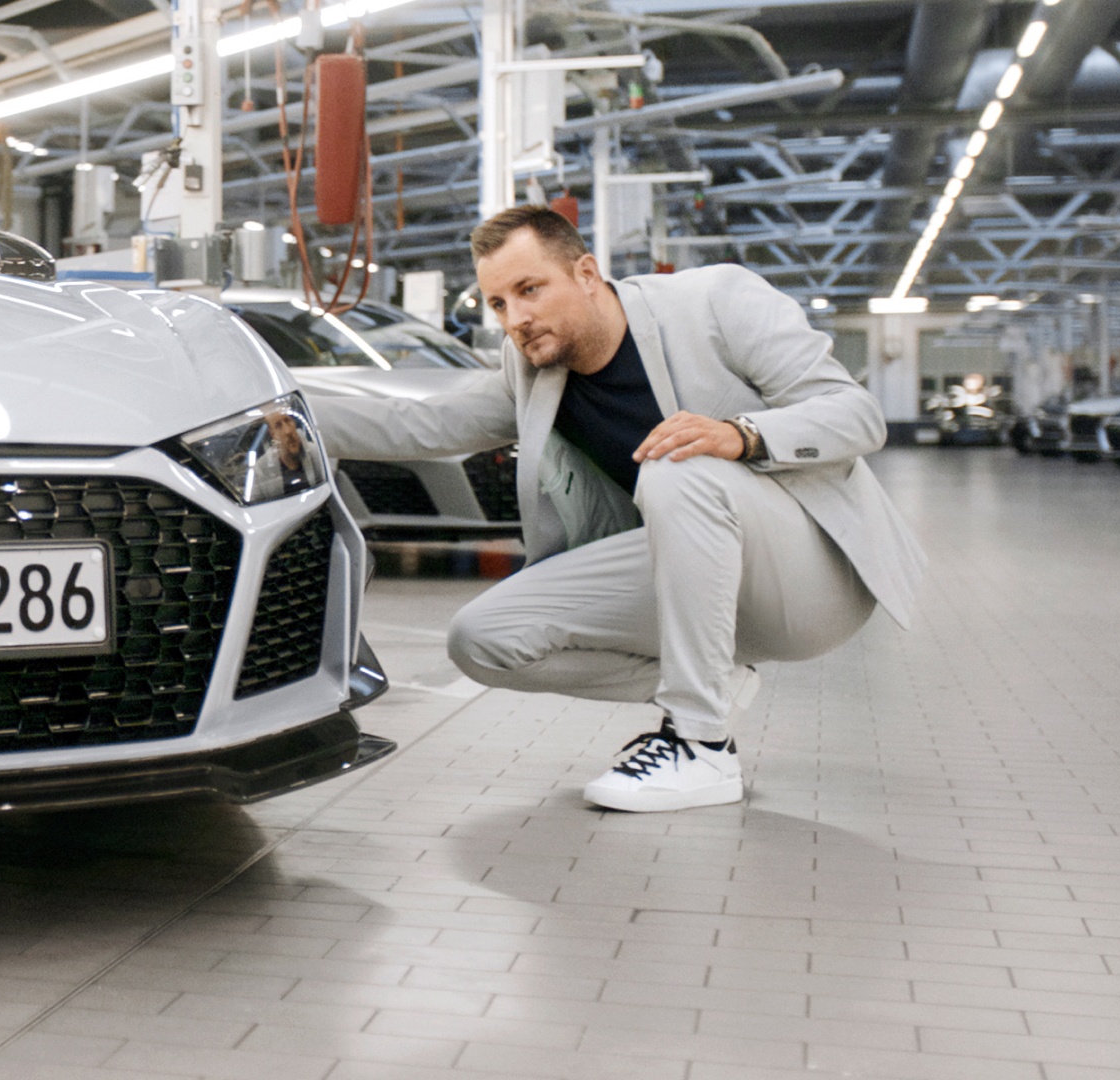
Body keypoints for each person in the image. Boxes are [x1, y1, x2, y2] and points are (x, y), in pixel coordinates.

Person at [308, 205, 926, 813]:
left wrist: (741, 435)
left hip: (809, 577)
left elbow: (857, 416)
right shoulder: (532, 369)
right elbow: (421, 424)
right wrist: (290, 412)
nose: (516, 319)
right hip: (690, 576)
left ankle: (700, 744)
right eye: (498, 304)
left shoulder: (717, 301)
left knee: (677, 466)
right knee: (484, 639)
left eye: (530, 289)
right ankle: (713, 686)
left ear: (585, 273)